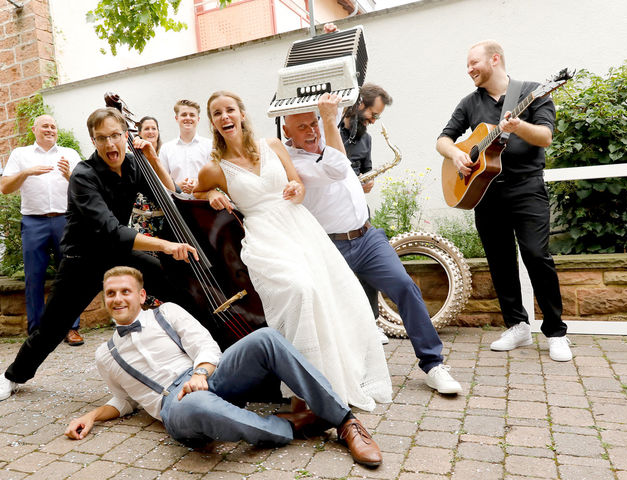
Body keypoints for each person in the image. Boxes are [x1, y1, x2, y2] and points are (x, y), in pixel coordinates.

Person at [64, 266, 383, 467]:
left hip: (208, 378)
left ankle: (344, 421)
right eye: (110, 294)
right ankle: (292, 426)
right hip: (175, 406)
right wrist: (90, 415)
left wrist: (201, 374)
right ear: (105, 300)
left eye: (125, 291)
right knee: (196, 404)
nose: (117, 298)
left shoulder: (167, 313)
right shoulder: (104, 354)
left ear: (141, 295)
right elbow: (124, 401)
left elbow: (205, 346)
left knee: (267, 338)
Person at [194, 91, 392, 412]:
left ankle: (329, 379)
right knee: (300, 289)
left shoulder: (272, 146)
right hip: (263, 236)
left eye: (230, 109)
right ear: (213, 123)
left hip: (299, 227)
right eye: (217, 113)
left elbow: (297, 185)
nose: (225, 117)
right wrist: (213, 193)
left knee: (331, 294)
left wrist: (296, 189)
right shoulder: (215, 167)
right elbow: (196, 190)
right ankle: (304, 389)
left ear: (242, 113)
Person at [0, 107, 198, 402]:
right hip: (84, 259)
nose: (110, 144)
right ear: (93, 140)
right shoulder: (84, 175)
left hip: (120, 253)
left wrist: (154, 159)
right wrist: (165, 246)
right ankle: (12, 377)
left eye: (116, 136)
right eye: (102, 138)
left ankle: (203, 352)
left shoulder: (135, 165)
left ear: (125, 136)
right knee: (53, 326)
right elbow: (112, 230)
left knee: (174, 288)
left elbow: (168, 194)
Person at [283, 94, 462, 395]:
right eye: (302, 127)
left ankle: (433, 365)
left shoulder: (329, 138)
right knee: (340, 313)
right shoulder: (289, 162)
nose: (312, 130)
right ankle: (350, 375)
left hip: (366, 237)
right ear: (287, 132)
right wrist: (328, 120)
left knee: (405, 287)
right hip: (330, 247)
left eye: (314, 122)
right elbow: (339, 169)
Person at [435, 40, 572, 362]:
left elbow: (545, 137)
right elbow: (443, 139)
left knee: (537, 255)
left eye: (474, 63)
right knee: (500, 261)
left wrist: (517, 126)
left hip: (527, 187)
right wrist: (456, 154)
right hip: (486, 190)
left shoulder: (535, 91)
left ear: (495, 59)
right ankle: (517, 325)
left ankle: (555, 332)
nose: (469, 69)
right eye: (467, 65)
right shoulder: (469, 103)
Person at [0, 115, 84, 346]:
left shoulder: (70, 154)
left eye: (53, 126)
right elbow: (5, 187)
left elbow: (85, 188)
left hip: (65, 221)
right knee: (33, 278)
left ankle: (71, 328)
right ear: (35, 129)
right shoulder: (21, 154)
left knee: (69, 276)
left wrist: (69, 175)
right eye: (45, 126)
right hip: (33, 222)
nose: (50, 129)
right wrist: (26, 172)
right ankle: (37, 333)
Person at [339, 83, 394, 345]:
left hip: (358, 211)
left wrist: (367, 182)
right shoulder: (329, 131)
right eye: (374, 114)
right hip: (331, 213)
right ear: (360, 105)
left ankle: (371, 323)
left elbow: (367, 170)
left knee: (368, 269)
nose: (374, 121)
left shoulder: (367, 138)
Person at [159, 99, 212, 196]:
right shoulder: (166, 148)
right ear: (176, 118)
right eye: (184, 115)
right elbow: (161, 181)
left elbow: (213, 178)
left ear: (198, 119)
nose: (188, 118)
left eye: (192, 115)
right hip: (175, 204)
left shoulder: (210, 146)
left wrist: (198, 184)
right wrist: (176, 186)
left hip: (203, 203)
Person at [130, 116, 165, 237]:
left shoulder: (165, 154)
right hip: (141, 220)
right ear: (139, 133)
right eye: (146, 129)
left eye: (154, 128)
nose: (151, 132)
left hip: (167, 218)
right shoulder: (133, 159)